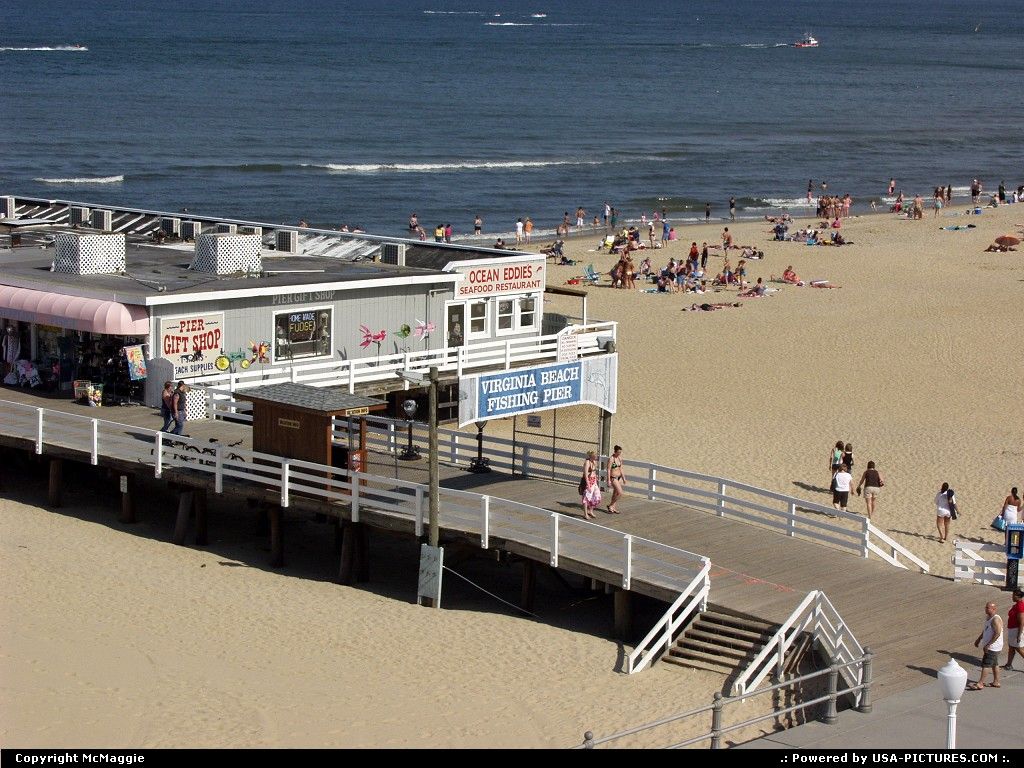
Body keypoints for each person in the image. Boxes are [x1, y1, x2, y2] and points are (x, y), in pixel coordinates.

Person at [969, 601, 1003, 689]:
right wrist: (979, 639)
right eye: (986, 607)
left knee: (986, 664)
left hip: (993, 647)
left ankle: (980, 683)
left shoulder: (995, 619)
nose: (986, 609)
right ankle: (996, 682)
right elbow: (986, 629)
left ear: (994, 609)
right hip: (993, 646)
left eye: (988, 608)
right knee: (994, 664)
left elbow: (997, 633)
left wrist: (988, 644)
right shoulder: (988, 618)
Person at [1003, 589, 1024, 671]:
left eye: (1013, 595)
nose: (1012, 597)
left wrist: (1019, 635)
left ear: (1018, 596)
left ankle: (1009, 665)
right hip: (1013, 629)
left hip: (1016, 630)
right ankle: (1008, 665)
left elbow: (1022, 622)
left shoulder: (1020, 606)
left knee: (1019, 649)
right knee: (1011, 648)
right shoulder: (1017, 605)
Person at [579, 450, 601, 520]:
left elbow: (594, 472)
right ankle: (585, 514)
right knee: (586, 497)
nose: (597, 457)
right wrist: (588, 484)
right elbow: (585, 474)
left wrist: (596, 478)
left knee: (596, 496)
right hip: (588, 481)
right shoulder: (587, 462)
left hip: (594, 481)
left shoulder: (594, 462)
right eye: (595, 456)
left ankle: (590, 510)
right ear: (592, 456)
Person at [606, 445, 626, 514]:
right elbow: (608, 470)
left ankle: (613, 507)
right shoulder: (611, 459)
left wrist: (623, 478)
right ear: (615, 451)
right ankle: (610, 505)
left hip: (619, 477)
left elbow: (621, 468)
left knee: (615, 493)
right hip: (613, 478)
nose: (619, 454)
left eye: (620, 452)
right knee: (620, 493)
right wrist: (608, 480)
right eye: (618, 452)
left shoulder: (620, 458)